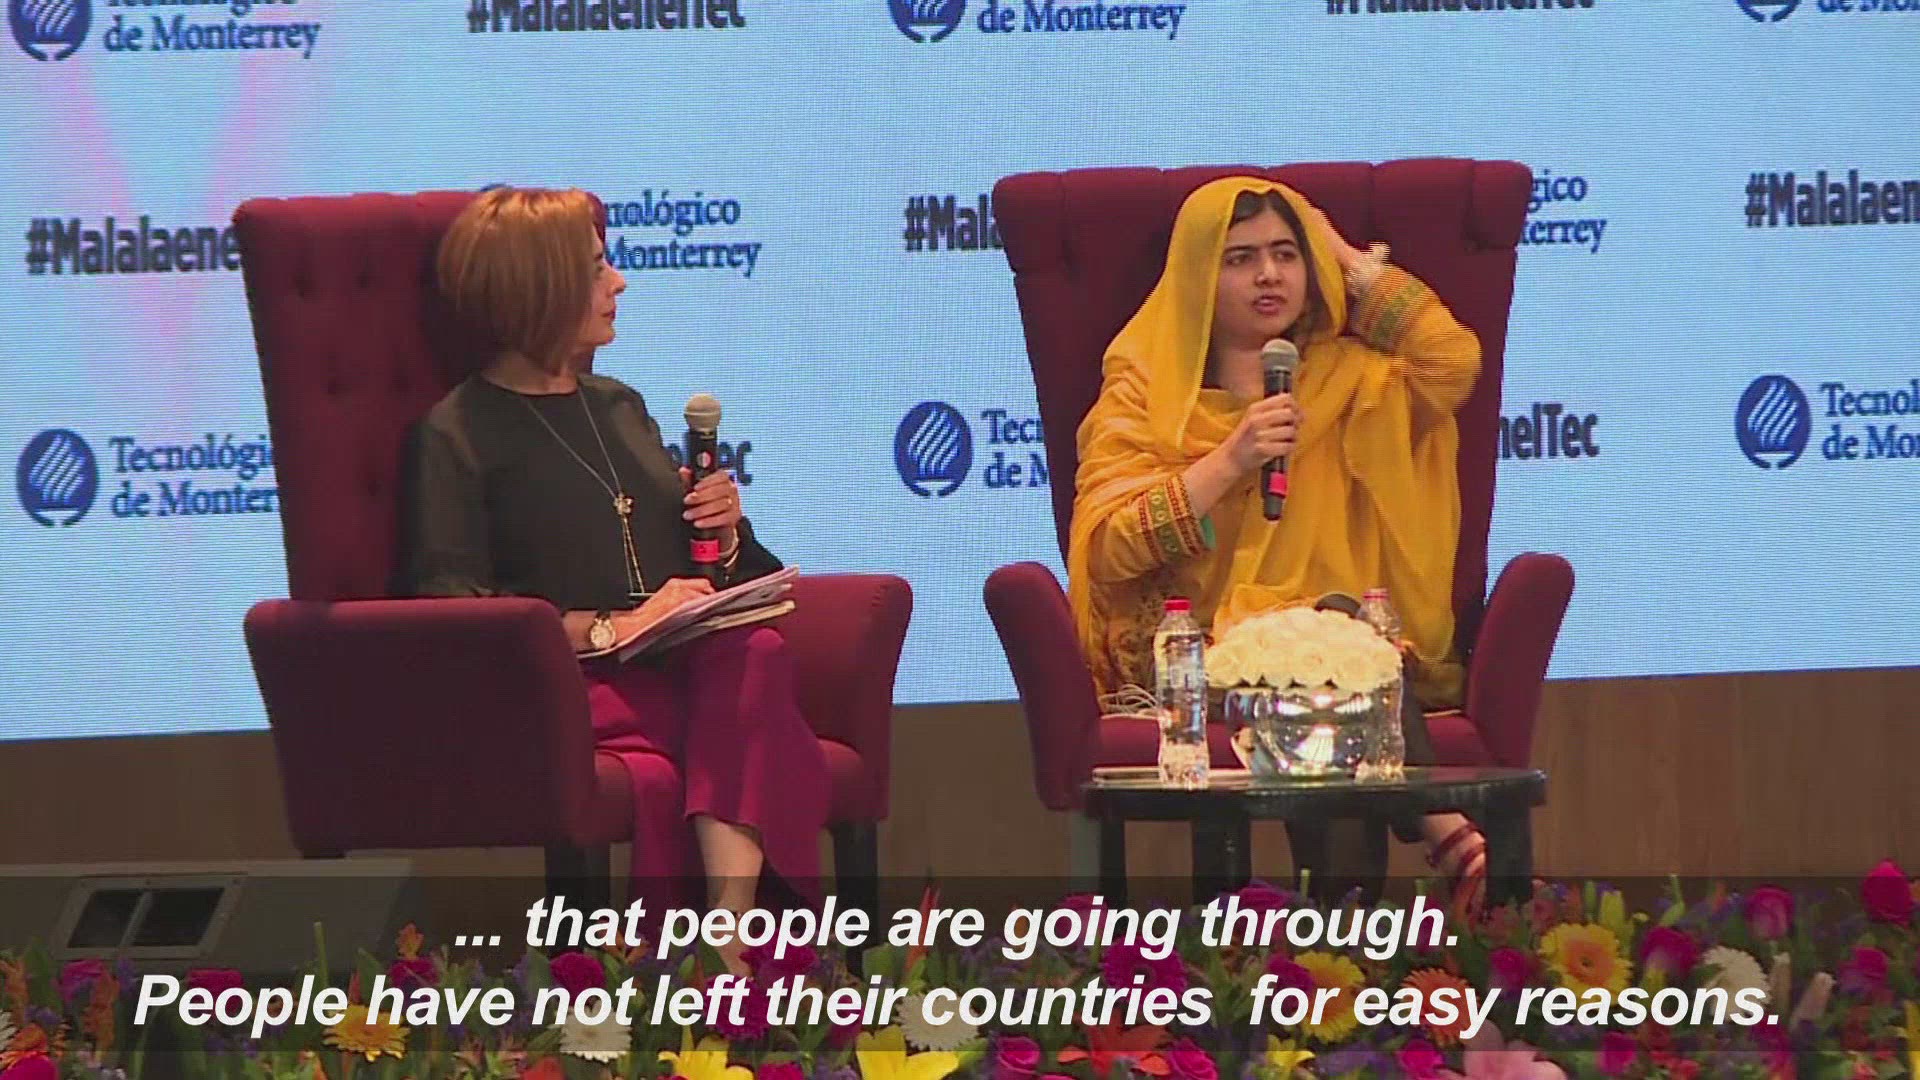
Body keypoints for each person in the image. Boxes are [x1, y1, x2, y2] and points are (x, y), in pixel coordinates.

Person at [396, 186, 828, 969]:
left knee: (756, 652)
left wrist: (726, 535)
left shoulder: (620, 406)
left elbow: (691, 568)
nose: (619, 282)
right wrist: (613, 629)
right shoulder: (455, 433)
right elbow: (450, 610)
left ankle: (728, 931)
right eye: (598, 267)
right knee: (726, 715)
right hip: (564, 689)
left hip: (673, 662)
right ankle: (719, 957)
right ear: (540, 287)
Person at [1067, 176, 1486, 911]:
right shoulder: (1145, 393)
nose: (1268, 275)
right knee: (1336, 663)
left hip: (1337, 637)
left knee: (1332, 650)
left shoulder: (1346, 379)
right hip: (1198, 650)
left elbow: (1451, 361)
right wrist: (1229, 460)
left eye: (1287, 254)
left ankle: (1341, 932)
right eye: (1240, 258)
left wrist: (1346, 257)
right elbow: (1108, 547)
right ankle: (1435, 843)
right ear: (1199, 276)